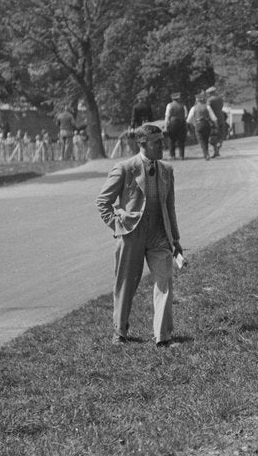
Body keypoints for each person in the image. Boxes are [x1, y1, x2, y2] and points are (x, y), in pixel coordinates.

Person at [96, 124, 184, 347]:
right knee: (126, 283)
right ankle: (120, 333)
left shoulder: (167, 170)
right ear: (143, 145)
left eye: (163, 141)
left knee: (164, 281)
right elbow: (103, 202)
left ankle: (163, 337)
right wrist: (118, 226)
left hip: (159, 235)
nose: (163, 146)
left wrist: (175, 239)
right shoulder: (125, 168)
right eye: (158, 143)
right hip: (132, 234)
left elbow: (170, 207)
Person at [186, 92, 218, 160]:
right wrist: (215, 126)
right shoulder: (207, 106)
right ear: (203, 100)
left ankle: (206, 154)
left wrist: (194, 124)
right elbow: (214, 118)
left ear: (196, 100)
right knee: (206, 140)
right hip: (207, 124)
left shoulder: (193, 108)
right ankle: (206, 153)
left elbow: (188, 120)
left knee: (201, 141)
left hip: (198, 124)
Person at [205, 86, 228, 157]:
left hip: (213, 119)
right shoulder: (220, 99)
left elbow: (207, 109)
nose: (207, 95)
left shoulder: (209, 100)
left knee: (213, 135)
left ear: (210, 93)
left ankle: (216, 150)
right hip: (221, 117)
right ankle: (219, 146)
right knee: (221, 134)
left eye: (208, 93)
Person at [164, 92, 187, 160]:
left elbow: (167, 116)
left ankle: (172, 155)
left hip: (173, 123)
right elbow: (185, 116)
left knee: (171, 139)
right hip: (182, 123)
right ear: (178, 98)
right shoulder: (183, 105)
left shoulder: (169, 105)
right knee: (181, 140)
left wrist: (165, 126)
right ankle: (181, 155)